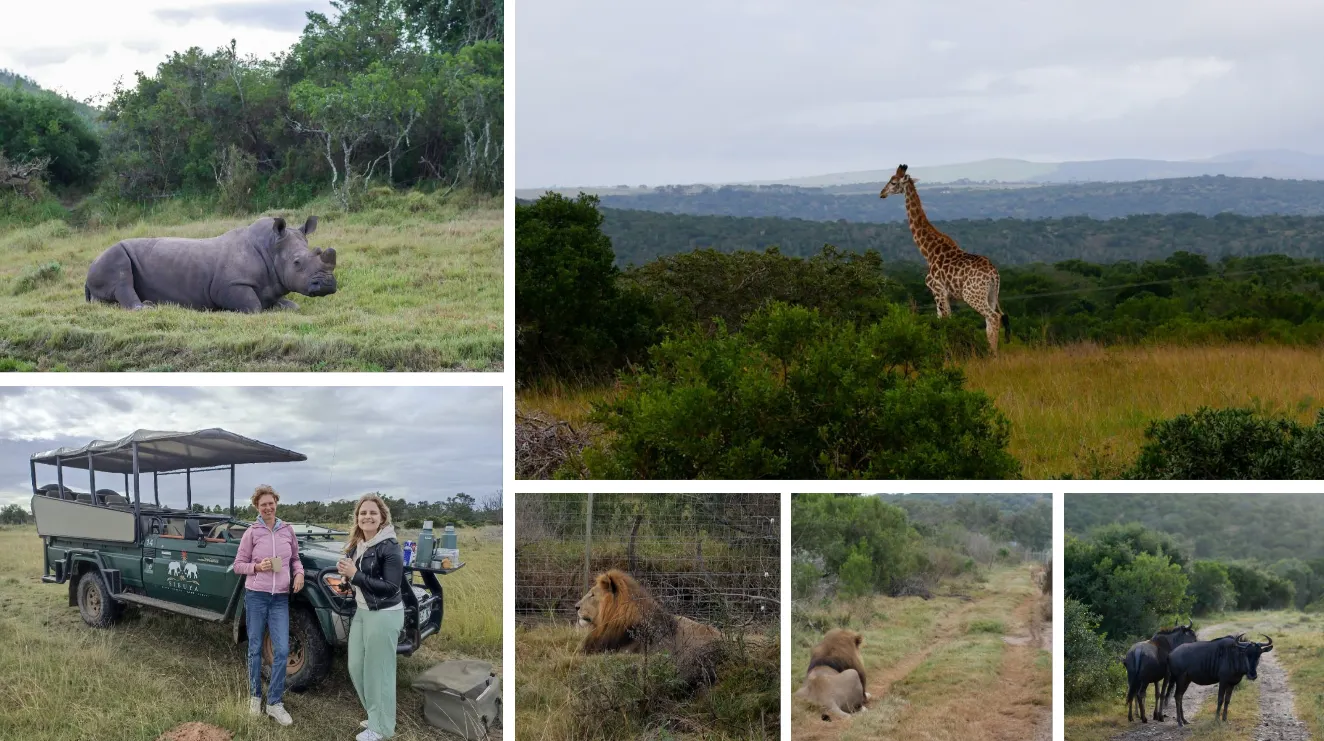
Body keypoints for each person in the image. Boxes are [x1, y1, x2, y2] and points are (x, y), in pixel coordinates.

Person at [232, 484, 304, 727]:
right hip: (256, 596)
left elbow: (295, 558)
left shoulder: (287, 530)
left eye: (271, 503)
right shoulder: (251, 532)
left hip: (280, 599)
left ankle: (274, 702)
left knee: (282, 650)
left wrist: (300, 573)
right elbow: (238, 565)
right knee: (254, 648)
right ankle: (254, 696)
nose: (268, 507)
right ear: (257, 507)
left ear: (276, 503)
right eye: (263, 504)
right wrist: (256, 567)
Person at [339, 493, 404, 741]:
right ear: (357, 518)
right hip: (364, 611)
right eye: (363, 513)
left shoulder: (390, 546)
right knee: (356, 666)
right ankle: (376, 714)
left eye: (372, 513)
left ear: (382, 518)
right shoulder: (359, 545)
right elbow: (359, 578)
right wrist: (347, 577)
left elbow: (391, 587)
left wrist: (355, 575)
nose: (367, 516)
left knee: (380, 672)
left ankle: (381, 728)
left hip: (384, 614)